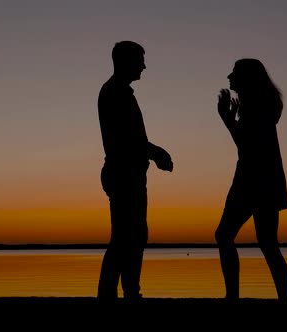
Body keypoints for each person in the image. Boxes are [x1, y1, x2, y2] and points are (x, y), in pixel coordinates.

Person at [97, 40, 174, 302]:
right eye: (140, 60)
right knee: (126, 238)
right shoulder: (115, 93)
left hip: (127, 173)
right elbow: (127, 139)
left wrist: (151, 154)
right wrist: (156, 152)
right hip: (123, 174)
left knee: (132, 236)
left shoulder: (119, 92)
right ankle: (120, 293)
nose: (143, 66)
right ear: (125, 61)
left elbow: (131, 139)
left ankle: (127, 291)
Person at [215, 58, 287, 302]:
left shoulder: (258, 105)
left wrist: (227, 120)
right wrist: (233, 120)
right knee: (267, 242)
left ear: (248, 77)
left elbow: (247, 146)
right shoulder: (262, 104)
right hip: (265, 178)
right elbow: (248, 144)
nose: (229, 76)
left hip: (253, 179)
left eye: (234, 73)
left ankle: (233, 297)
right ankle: (283, 299)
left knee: (226, 235)